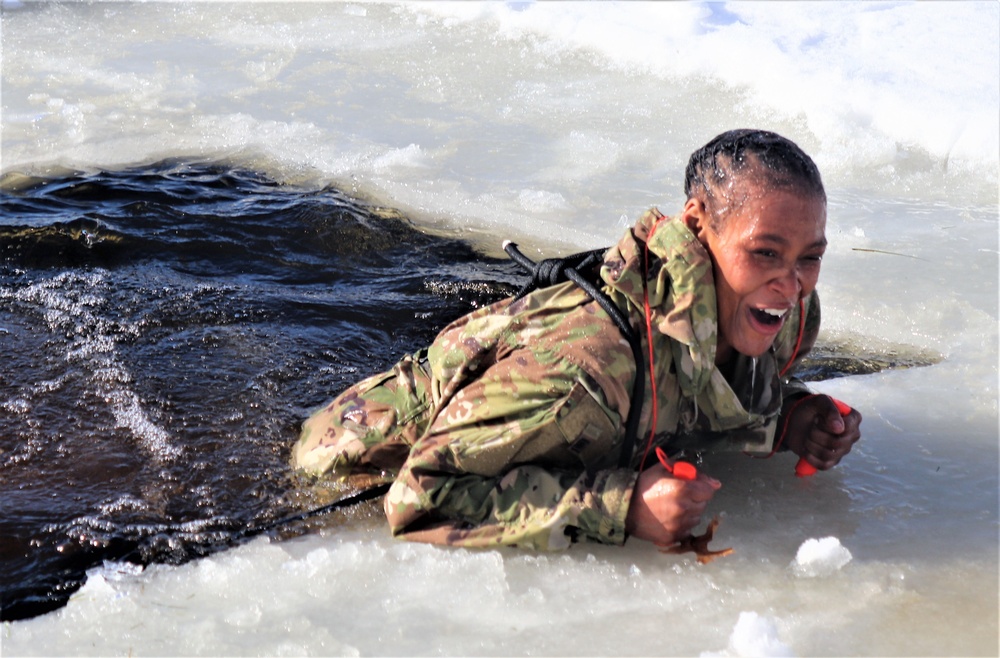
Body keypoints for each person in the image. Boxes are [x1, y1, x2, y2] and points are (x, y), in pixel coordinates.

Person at [291, 129, 863, 550]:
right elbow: (420, 497)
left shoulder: (784, 314)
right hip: (347, 467)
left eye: (810, 257)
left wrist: (789, 418)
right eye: (765, 252)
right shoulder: (581, 366)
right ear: (695, 226)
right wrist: (623, 508)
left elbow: (691, 385)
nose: (791, 284)